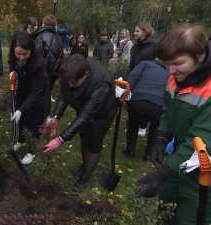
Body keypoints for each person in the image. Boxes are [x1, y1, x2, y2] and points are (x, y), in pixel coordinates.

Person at [135, 24, 211, 224]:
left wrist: (162, 174)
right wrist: (162, 137)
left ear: (200, 55)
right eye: (166, 63)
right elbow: (169, 110)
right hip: (182, 162)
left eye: (177, 63)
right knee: (166, 209)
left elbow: (203, 142)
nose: (170, 70)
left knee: (186, 219)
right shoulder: (177, 76)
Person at [43, 54, 117, 191]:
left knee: (94, 141)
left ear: (85, 74)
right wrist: (56, 117)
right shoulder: (69, 72)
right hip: (84, 107)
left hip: (102, 114)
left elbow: (84, 117)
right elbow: (64, 94)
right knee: (84, 136)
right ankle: (85, 165)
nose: (70, 85)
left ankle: (86, 175)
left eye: (74, 83)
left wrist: (60, 140)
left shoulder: (101, 83)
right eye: (68, 82)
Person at [9, 32, 50, 165]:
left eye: (24, 54)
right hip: (23, 87)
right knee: (22, 115)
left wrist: (21, 110)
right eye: (18, 54)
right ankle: (22, 140)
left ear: (31, 50)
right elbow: (12, 63)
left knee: (34, 120)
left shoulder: (39, 65)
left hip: (38, 93)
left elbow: (35, 92)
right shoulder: (14, 54)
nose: (21, 57)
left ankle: (32, 150)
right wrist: (12, 71)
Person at [121, 60, 170, 161]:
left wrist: (124, 92)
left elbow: (132, 77)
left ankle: (129, 151)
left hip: (138, 100)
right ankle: (149, 155)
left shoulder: (145, 64)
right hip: (159, 105)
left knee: (132, 123)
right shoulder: (169, 73)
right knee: (155, 128)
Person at [129, 22, 159, 136]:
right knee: (134, 101)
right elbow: (132, 63)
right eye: (134, 31)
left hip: (148, 79)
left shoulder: (155, 44)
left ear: (145, 32)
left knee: (145, 102)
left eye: (137, 31)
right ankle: (133, 124)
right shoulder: (135, 46)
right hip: (135, 77)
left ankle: (143, 126)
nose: (134, 33)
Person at [32, 15, 63, 103]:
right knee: (46, 95)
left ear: (43, 24)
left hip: (42, 72)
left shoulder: (40, 37)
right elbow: (61, 55)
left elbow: (37, 56)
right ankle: (46, 114)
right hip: (54, 72)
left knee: (38, 97)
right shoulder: (58, 39)